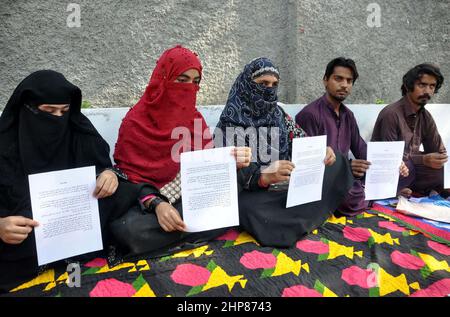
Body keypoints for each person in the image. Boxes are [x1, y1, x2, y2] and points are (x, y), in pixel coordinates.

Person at [112, 45, 252, 257]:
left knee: (238, 184)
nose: (189, 88)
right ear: (163, 79)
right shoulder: (136, 122)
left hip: (190, 199)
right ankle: (194, 231)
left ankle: (178, 234)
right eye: (182, 80)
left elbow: (206, 169)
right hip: (150, 204)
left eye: (195, 82)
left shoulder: (195, 119)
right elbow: (127, 179)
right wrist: (157, 205)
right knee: (125, 229)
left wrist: (230, 161)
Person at [0, 70, 131, 292]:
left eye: (64, 111)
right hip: (22, 242)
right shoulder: (4, 145)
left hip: (75, 232)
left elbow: (102, 166)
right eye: (48, 112)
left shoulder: (77, 130)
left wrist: (109, 174)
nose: (58, 119)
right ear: (27, 109)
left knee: (126, 195)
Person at [214, 57, 354, 248]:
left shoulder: (278, 114)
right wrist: (263, 176)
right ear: (248, 84)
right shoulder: (232, 119)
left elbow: (302, 140)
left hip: (287, 184)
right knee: (245, 207)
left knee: (339, 161)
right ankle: (300, 218)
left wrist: (321, 151)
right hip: (257, 193)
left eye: (274, 84)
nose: (269, 89)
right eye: (263, 83)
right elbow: (226, 171)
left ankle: (295, 218)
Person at [295, 57, 409, 215]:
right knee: (348, 197)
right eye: (338, 79)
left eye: (349, 81)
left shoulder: (348, 115)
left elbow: (361, 149)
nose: (344, 85)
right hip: (324, 183)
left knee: (407, 168)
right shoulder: (310, 115)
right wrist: (347, 167)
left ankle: (370, 192)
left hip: (348, 180)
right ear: (325, 80)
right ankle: (374, 194)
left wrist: (393, 163)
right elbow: (307, 165)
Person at [371, 63, 447, 196]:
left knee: (443, 169)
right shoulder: (391, 114)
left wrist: (439, 158)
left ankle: (409, 190)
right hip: (390, 172)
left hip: (412, 172)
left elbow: (438, 151)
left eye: (432, 86)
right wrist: (422, 159)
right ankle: (400, 190)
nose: (427, 91)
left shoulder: (425, 116)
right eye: (422, 85)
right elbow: (389, 159)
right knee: (408, 167)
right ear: (408, 86)